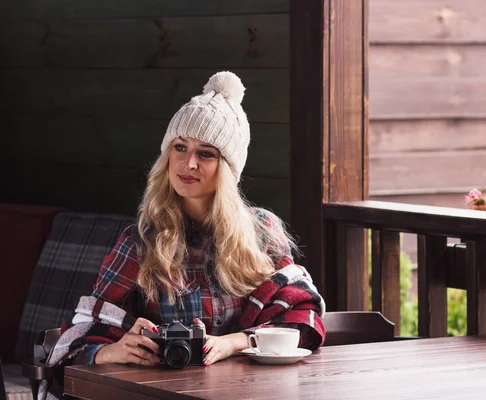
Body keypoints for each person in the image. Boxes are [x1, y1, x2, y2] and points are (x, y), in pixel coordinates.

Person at [48, 71, 325, 375]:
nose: (188, 163)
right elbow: (77, 338)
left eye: (205, 154)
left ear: (228, 169)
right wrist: (111, 351)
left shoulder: (262, 231)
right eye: (180, 147)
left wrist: (234, 342)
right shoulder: (142, 240)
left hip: (249, 391)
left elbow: (303, 318)